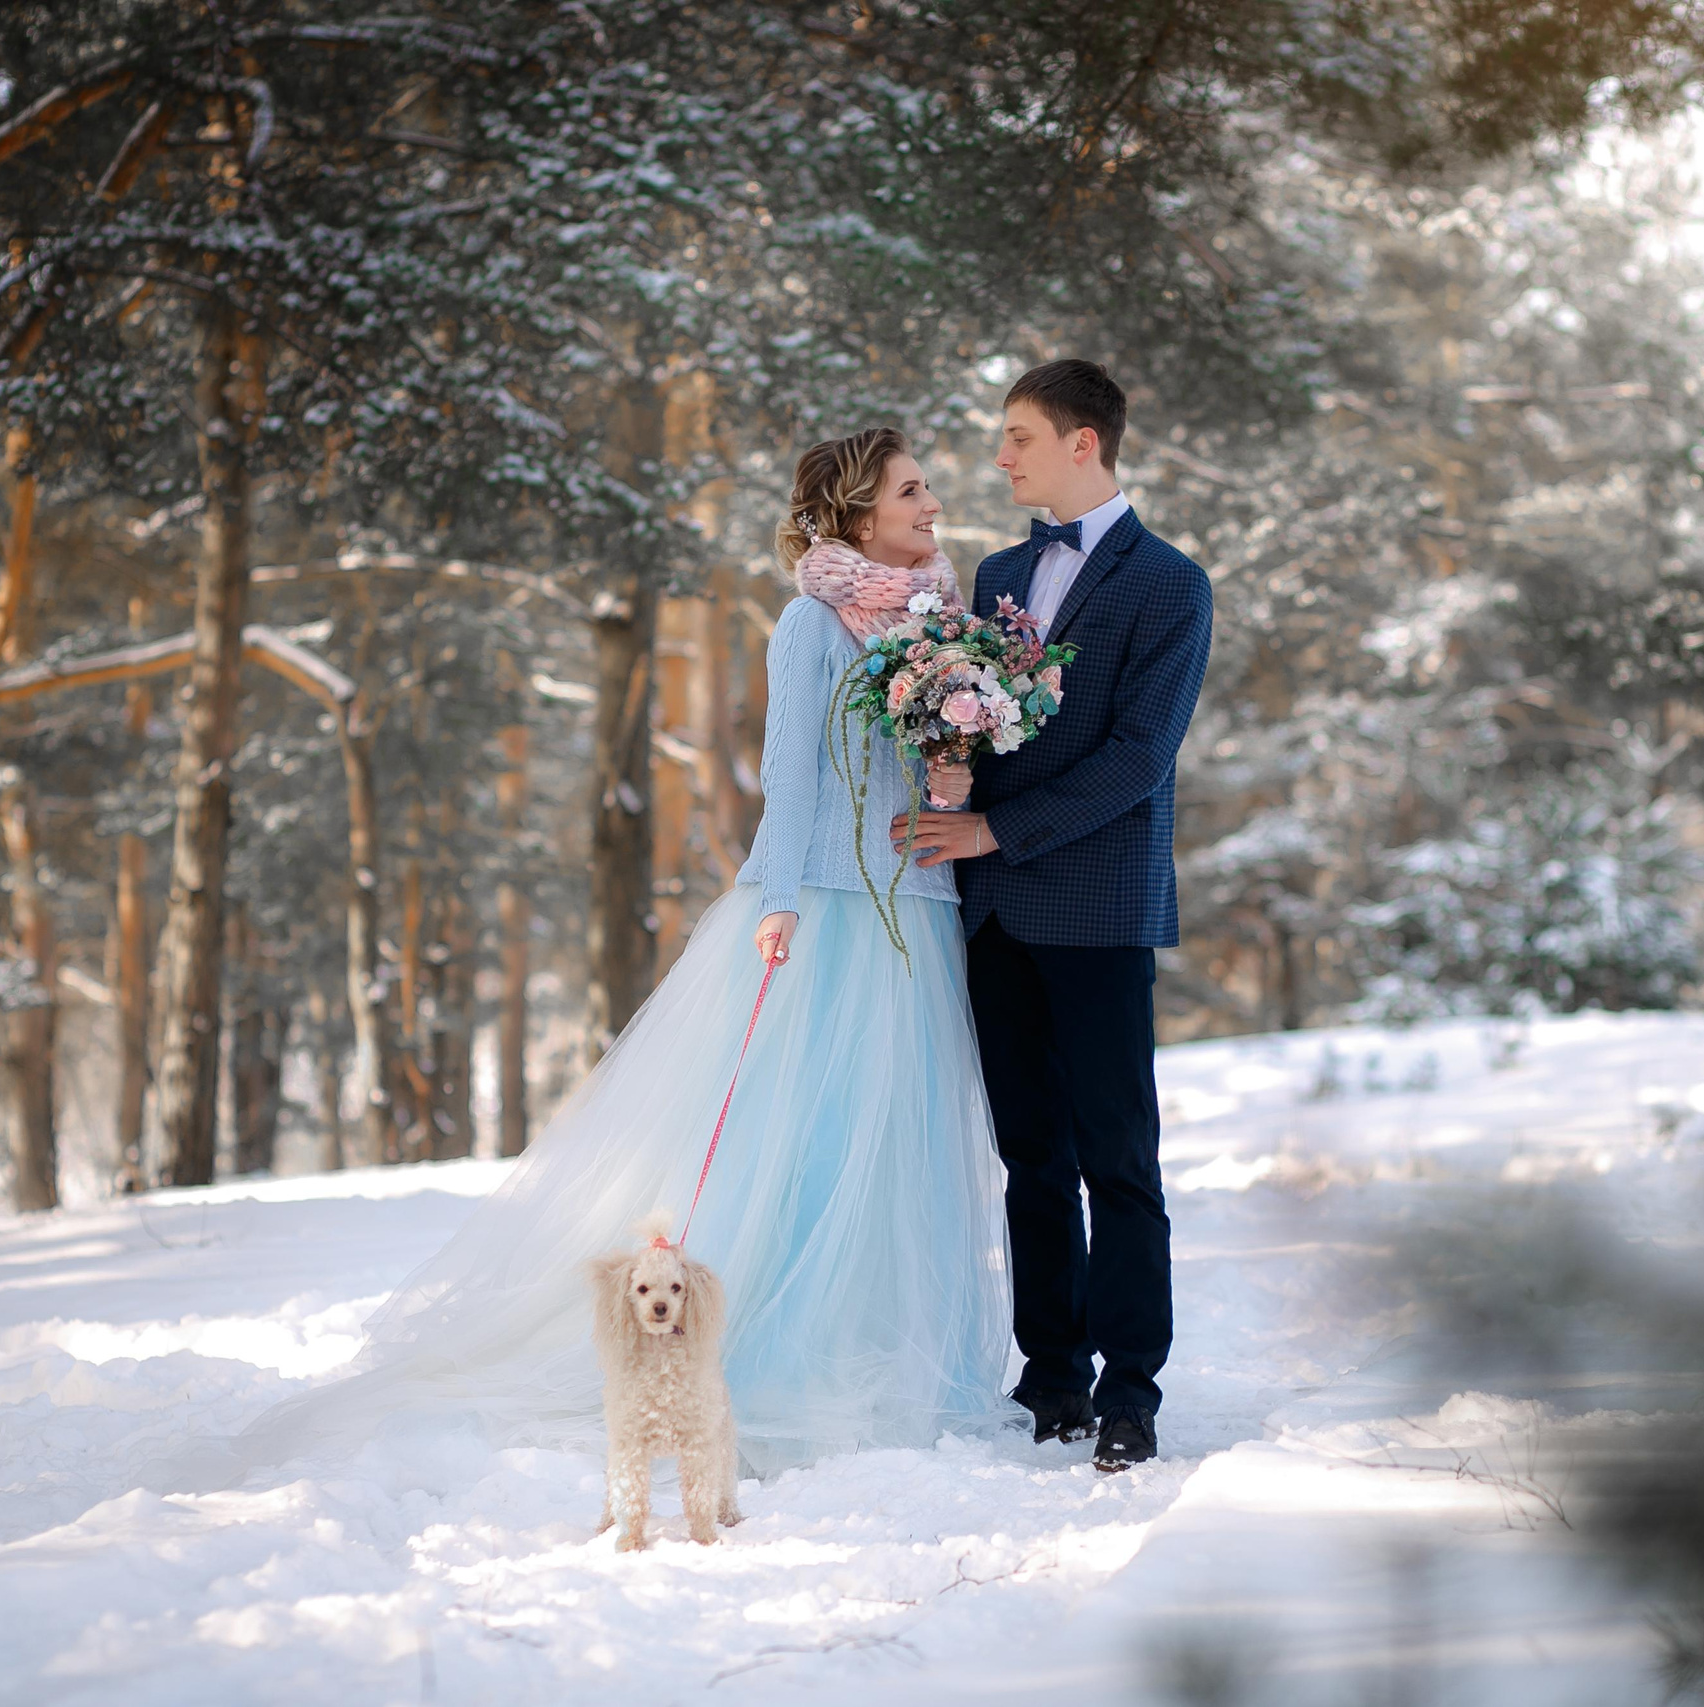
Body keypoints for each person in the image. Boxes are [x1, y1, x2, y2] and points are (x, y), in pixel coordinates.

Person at [235, 427, 1010, 1479]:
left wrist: (956, 776)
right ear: (857, 510)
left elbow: (923, 761)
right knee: (811, 1141)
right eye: (912, 490)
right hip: (827, 906)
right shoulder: (809, 622)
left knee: (903, 1152)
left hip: (919, 903)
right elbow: (790, 774)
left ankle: (899, 1356)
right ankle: (774, 1355)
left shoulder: (946, 621)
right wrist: (776, 899)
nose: (933, 503)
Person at [894, 360, 1215, 1473]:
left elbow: (1139, 759)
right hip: (990, 916)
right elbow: (973, 727)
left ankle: (1130, 1391)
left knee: (1118, 1159)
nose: (1000, 457)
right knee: (1031, 1156)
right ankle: (1050, 1380)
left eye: (1019, 437)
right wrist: (945, 793)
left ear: (1085, 443)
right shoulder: (996, 570)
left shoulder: (1171, 585)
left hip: (1097, 907)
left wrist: (993, 834)